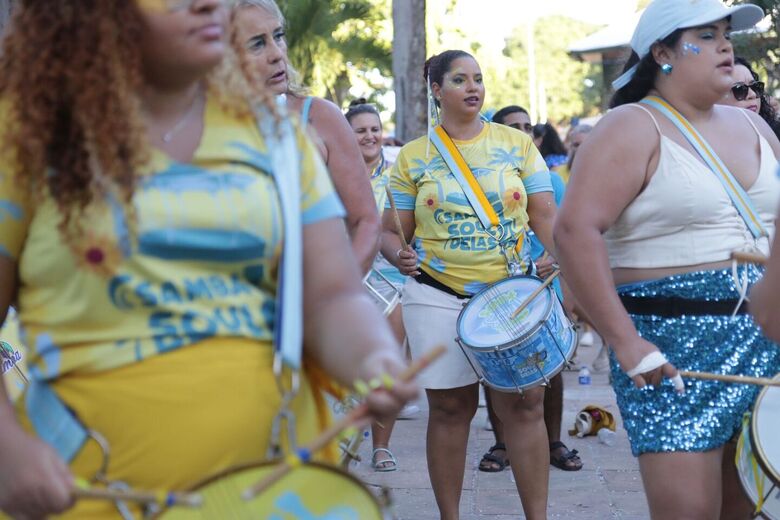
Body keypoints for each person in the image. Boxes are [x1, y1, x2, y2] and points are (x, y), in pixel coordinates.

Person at [0, 1, 416, 518]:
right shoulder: (27, 134)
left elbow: (331, 296)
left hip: (274, 494)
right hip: (88, 493)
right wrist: (9, 449)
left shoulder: (278, 137)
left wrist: (373, 356)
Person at [554, 0, 780, 518]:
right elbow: (573, 231)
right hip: (670, 354)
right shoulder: (629, 126)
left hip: (763, 347)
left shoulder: (756, 127)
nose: (726, 44)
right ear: (663, 53)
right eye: (707, 34)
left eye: (727, 33)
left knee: (746, 511)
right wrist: (626, 343)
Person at [382, 49, 557, 520]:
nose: (473, 88)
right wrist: (395, 253)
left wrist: (556, 253)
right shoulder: (413, 157)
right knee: (450, 411)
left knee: (524, 408)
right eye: (460, 80)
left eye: (478, 79)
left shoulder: (517, 145)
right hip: (436, 295)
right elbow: (389, 229)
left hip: (510, 297)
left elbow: (546, 217)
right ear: (437, 90)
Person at [233, 0, 380, 274]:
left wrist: (335, 295)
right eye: (256, 44)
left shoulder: (320, 117)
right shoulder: (197, 128)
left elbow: (366, 222)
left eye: (278, 36)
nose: (277, 54)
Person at [477, 106, 581, 473]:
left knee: (550, 367)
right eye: (513, 128)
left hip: (546, 286)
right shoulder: (487, 180)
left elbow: (567, 235)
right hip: (502, 287)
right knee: (496, 366)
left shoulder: (553, 182)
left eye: (528, 127)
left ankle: (553, 441)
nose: (524, 134)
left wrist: (560, 272)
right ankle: (502, 444)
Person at [344, 98, 417, 472]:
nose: (370, 136)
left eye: (375, 129)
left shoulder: (399, 174)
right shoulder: (331, 177)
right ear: (346, 135)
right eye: (361, 130)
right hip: (347, 284)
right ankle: (342, 439)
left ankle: (381, 446)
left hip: (392, 284)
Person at [720, 56, 780, 139]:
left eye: (755, 86)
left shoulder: (774, 134)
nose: (752, 94)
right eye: (740, 89)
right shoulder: (704, 144)